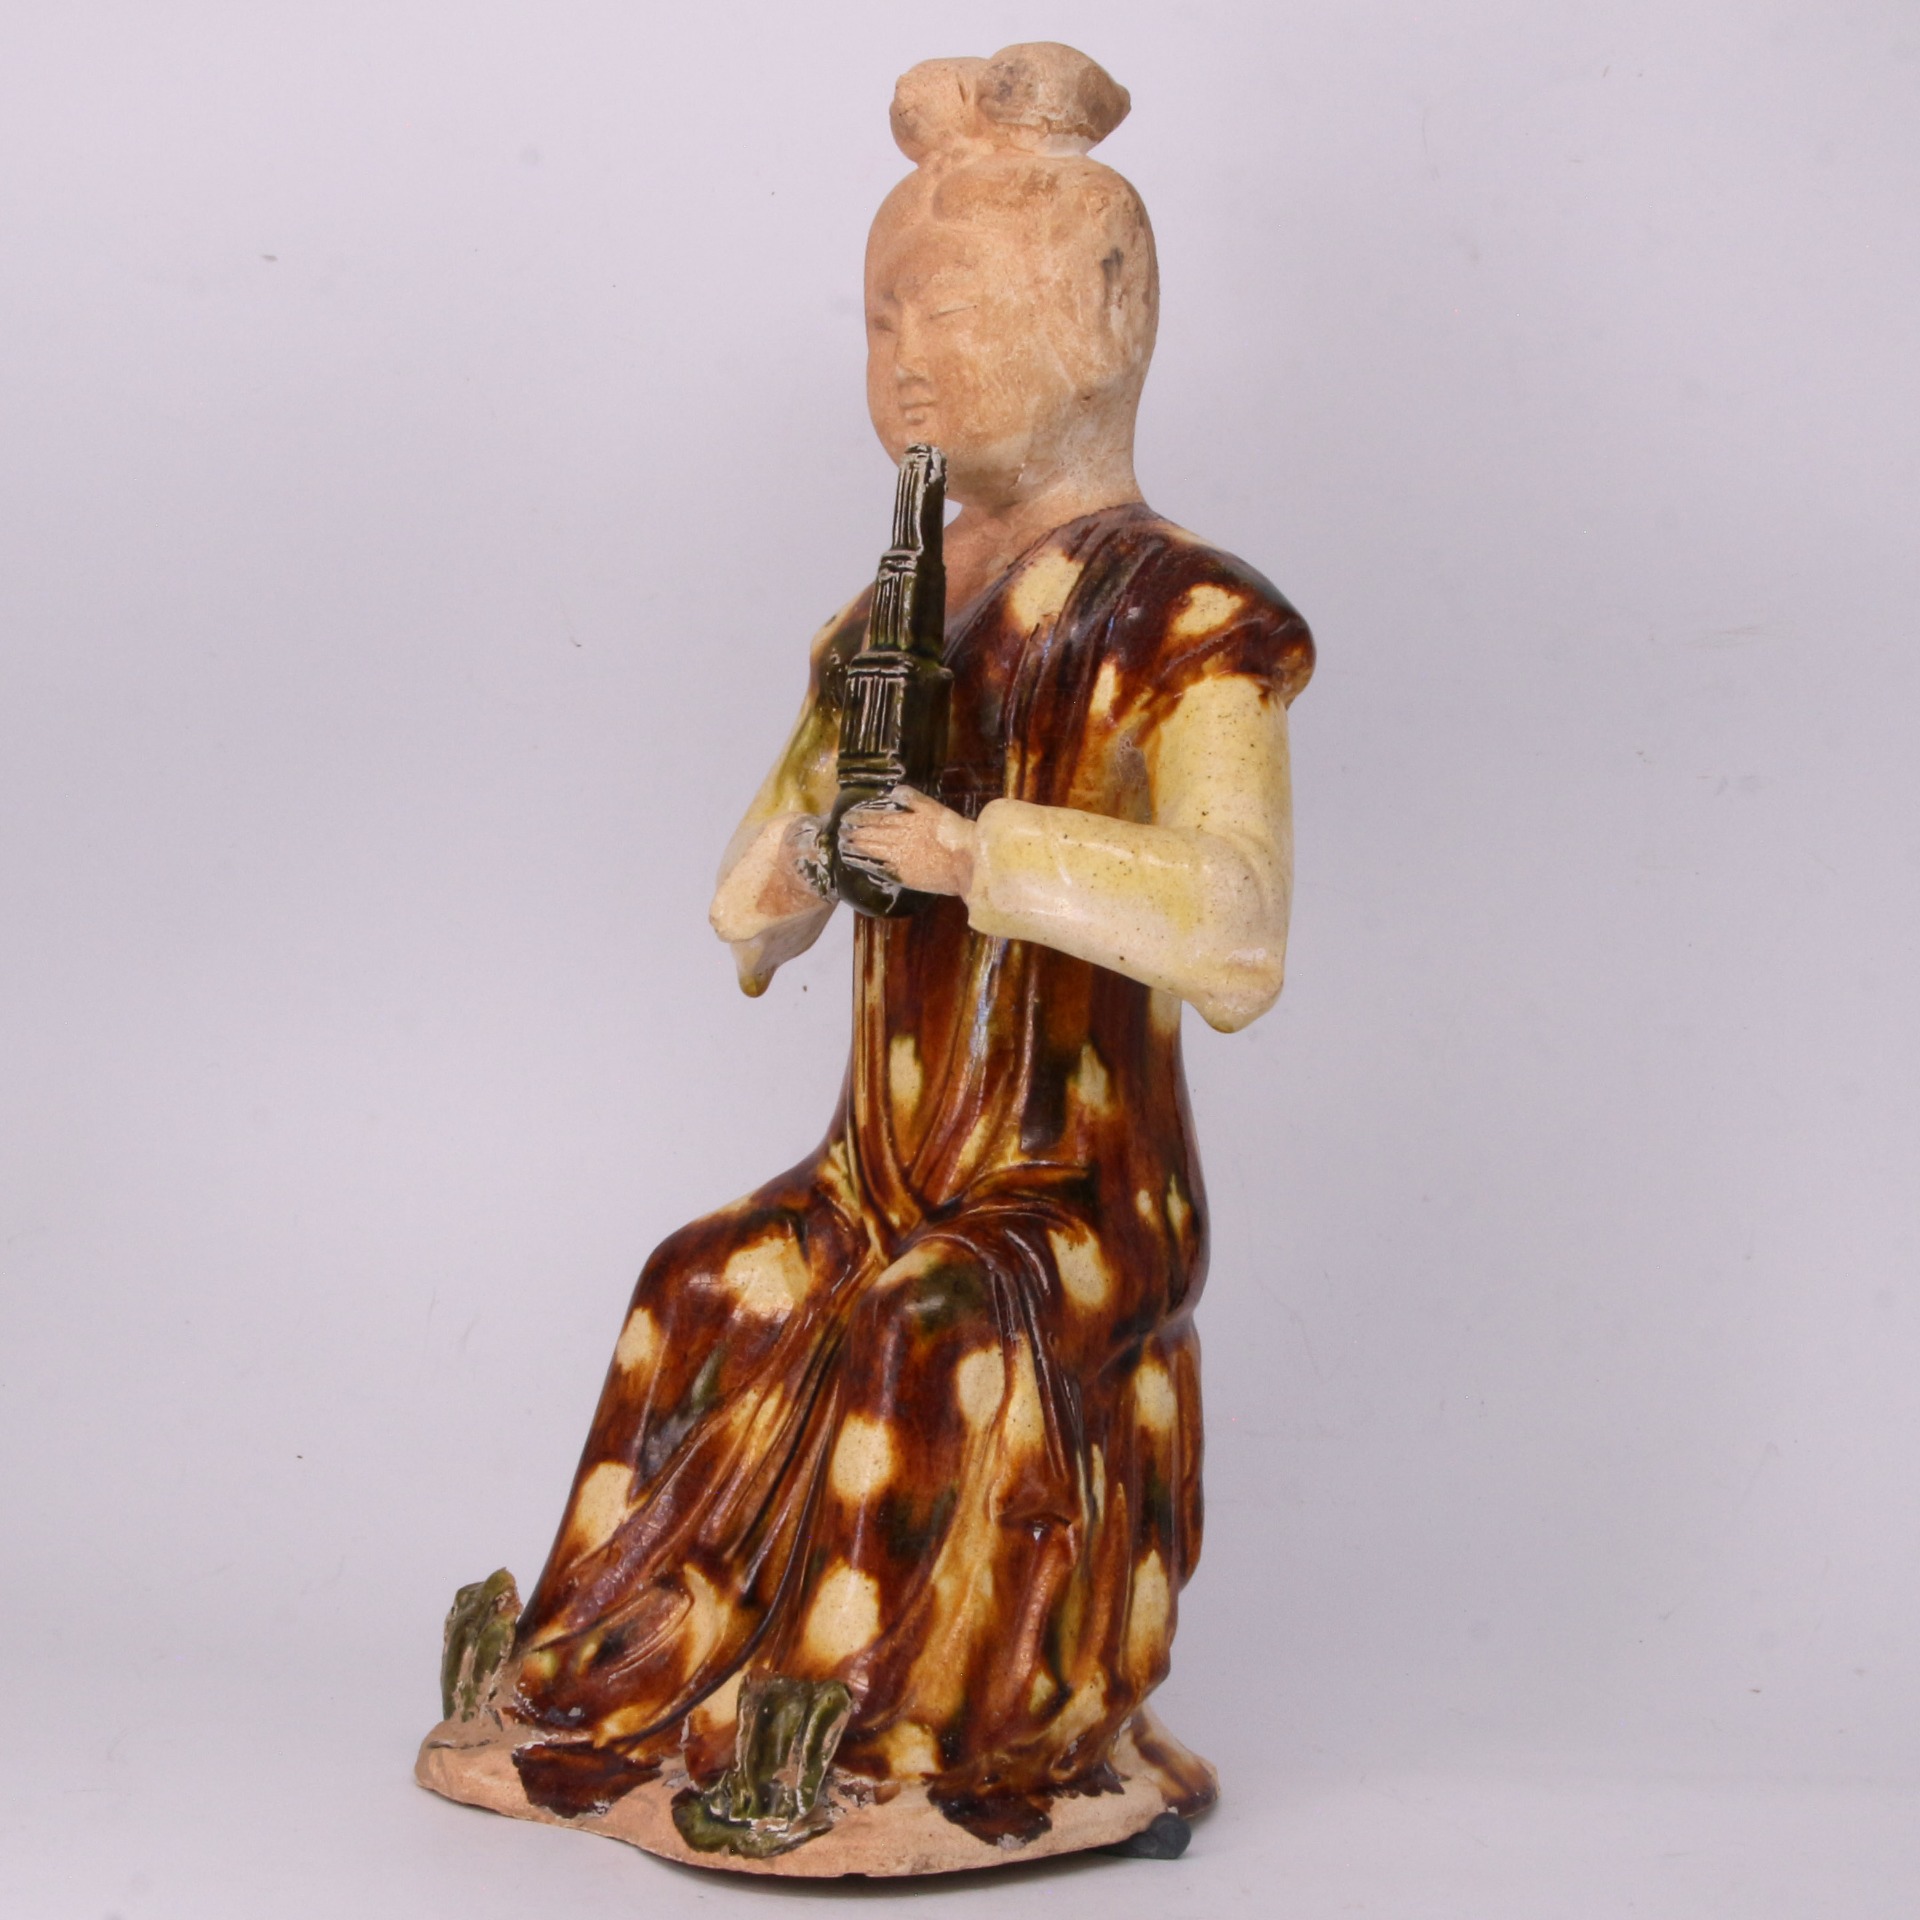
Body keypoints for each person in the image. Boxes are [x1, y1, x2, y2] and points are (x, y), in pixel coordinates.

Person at [423, 42, 1314, 1868]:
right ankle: (615, 1689)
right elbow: (751, 902)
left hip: (1069, 1187)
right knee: (705, 1283)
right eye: (881, 320)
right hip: (883, 1164)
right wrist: (809, 841)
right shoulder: (882, 624)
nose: (907, 358)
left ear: (1108, 309)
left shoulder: (1190, 617)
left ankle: (882, 1739)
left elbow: (1236, 930)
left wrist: (981, 854)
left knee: (924, 1329)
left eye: (953, 309)